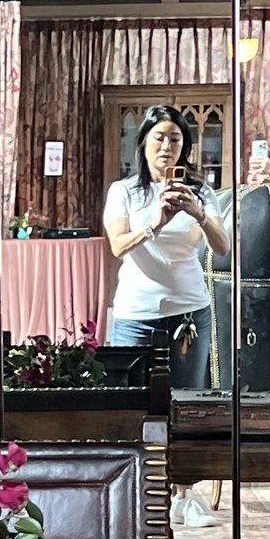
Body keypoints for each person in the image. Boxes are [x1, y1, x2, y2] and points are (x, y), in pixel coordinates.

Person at [102, 106, 227, 395]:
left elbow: (222, 247)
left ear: (184, 146)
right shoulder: (124, 191)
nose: (166, 147)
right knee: (129, 400)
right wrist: (156, 224)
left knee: (187, 400)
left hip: (189, 313)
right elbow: (118, 246)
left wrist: (199, 214)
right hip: (136, 313)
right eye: (159, 137)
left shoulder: (201, 193)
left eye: (175, 139)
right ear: (144, 140)